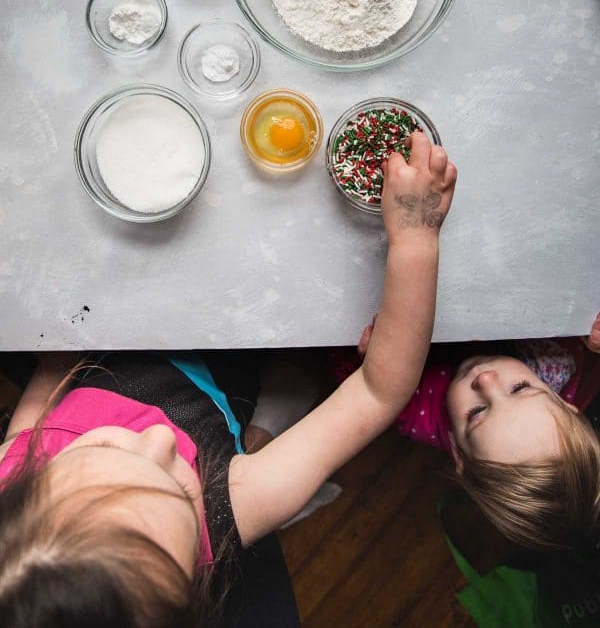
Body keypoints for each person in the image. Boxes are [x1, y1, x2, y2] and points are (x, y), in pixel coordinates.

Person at [0, 132, 457, 628]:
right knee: (291, 370)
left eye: (108, 453)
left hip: (115, 337)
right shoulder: (236, 505)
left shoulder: (11, 481)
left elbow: (36, 406)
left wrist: (54, 355)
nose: (159, 439)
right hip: (232, 359)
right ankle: (271, 420)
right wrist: (416, 237)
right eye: (180, 493)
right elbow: (377, 391)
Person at [331, 317, 600, 554]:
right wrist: (590, 340)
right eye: (519, 388)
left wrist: (368, 365)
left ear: (460, 454)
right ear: (566, 405)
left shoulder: (417, 407)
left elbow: (365, 394)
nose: (486, 379)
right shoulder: (560, 380)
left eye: (477, 412)